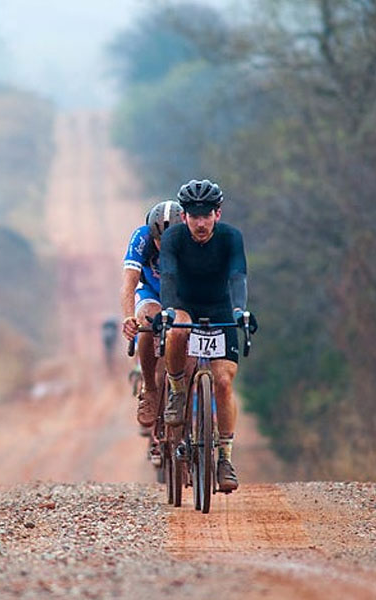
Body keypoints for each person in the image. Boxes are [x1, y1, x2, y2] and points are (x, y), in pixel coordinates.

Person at [158, 179, 252, 492]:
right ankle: (176, 389)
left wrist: (239, 311)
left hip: (220, 307)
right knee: (175, 332)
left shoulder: (230, 238)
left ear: (217, 214)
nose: (200, 222)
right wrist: (169, 309)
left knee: (224, 382)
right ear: (184, 217)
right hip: (184, 305)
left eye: (206, 215)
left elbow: (238, 275)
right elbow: (168, 276)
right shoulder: (173, 237)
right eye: (194, 216)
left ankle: (224, 457)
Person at [121, 200, 185, 433]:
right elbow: (129, 284)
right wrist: (129, 318)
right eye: (159, 241)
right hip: (151, 292)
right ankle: (150, 389)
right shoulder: (141, 237)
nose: (164, 246)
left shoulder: (193, 238)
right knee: (146, 323)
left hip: (182, 295)